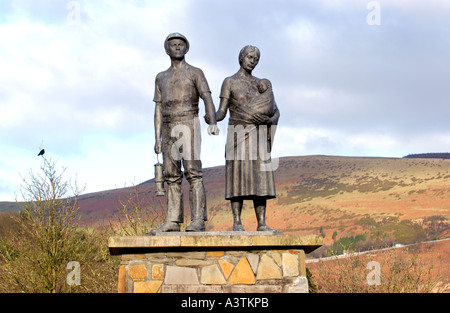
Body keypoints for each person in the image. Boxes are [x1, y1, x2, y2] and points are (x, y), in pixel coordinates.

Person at [148, 33, 219, 234]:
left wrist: (212, 121)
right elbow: (158, 109)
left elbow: (207, 97)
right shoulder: (160, 77)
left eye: (181, 45)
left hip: (189, 121)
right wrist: (157, 138)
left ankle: (197, 219)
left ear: (186, 49)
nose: (177, 47)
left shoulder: (195, 72)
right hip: (168, 126)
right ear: (167, 49)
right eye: (173, 45)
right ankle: (172, 219)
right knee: (171, 175)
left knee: (193, 172)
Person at [216, 45, 280, 231]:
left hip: (258, 134)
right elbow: (222, 111)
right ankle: (237, 222)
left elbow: (275, 111)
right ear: (241, 57)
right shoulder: (230, 82)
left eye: (256, 59)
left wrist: (269, 119)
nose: (253, 61)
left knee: (260, 177)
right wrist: (212, 117)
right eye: (250, 57)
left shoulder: (262, 84)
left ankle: (261, 223)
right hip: (238, 133)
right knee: (238, 176)